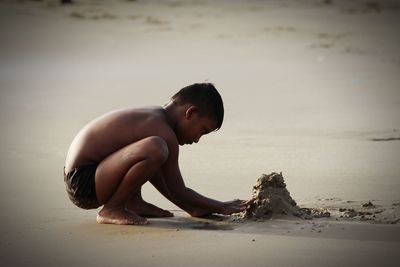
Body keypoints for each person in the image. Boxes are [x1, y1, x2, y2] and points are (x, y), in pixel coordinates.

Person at [63, 83, 248, 225]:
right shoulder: (162, 130)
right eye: (202, 130)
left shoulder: (155, 118)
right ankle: (112, 209)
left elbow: (162, 176)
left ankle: (133, 202)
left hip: (91, 174)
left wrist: (191, 207)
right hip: (84, 181)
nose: (198, 139)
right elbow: (177, 189)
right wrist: (221, 206)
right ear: (190, 113)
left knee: (154, 151)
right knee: (156, 148)